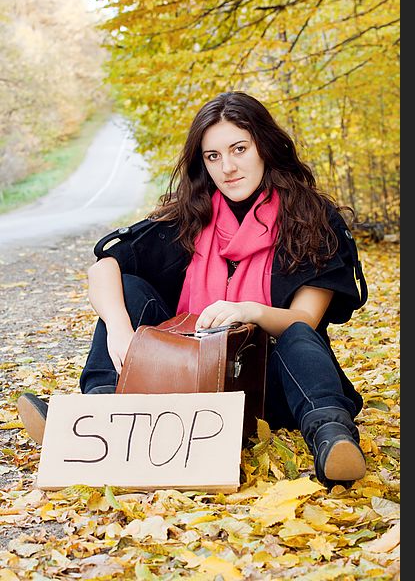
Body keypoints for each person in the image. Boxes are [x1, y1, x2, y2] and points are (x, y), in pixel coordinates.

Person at [17, 91, 368, 485]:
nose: (228, 167)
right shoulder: (190, 217)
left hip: (272, 389)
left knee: (300, 334)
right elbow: (104, 267)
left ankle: (331, 438)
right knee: (126, 288)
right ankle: (95, 415)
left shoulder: (311, 221)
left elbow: (305, 318)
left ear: (264, 147)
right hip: (185, 379)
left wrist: (248, 310)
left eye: (239, 149)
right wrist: (119, 328)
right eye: (212, 156)